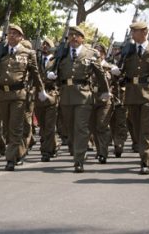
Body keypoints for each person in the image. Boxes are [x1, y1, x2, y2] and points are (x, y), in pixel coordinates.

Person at [46, 25, 107, 173]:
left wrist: (105, 91)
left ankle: (79, 159)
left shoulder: (91, 53)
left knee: (81, 127)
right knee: (70, 127)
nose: (73, 38)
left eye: (77, 35)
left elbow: (100, 73)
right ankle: (76, 150)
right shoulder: (62, 52)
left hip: (83, 95)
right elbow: (50, 68)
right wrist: (50, 74)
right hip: (66, 94)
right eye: (71, 35)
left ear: (82, 38)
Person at [0, 24, 42, 171]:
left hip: (18, 95)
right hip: (2, 94)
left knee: (15, 127)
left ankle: (10, 159)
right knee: (6, 129)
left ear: (21, 37)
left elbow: (35, 73)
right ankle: (17, 153)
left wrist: (40, 90)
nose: (11, 36)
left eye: (15, 34)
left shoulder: (28, 53)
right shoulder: (1, 51)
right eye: (10, 33)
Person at [111, 21, 149, 175]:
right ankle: (144, 152)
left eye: (135, 31)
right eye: (131, 31)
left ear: (145, 32)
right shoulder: (128, 50)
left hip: (148, 93)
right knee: (136, 129)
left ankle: (146, 160)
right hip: (131, 93)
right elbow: (122, 70)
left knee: (145, 129)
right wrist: (117, 72)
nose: (132, 34)